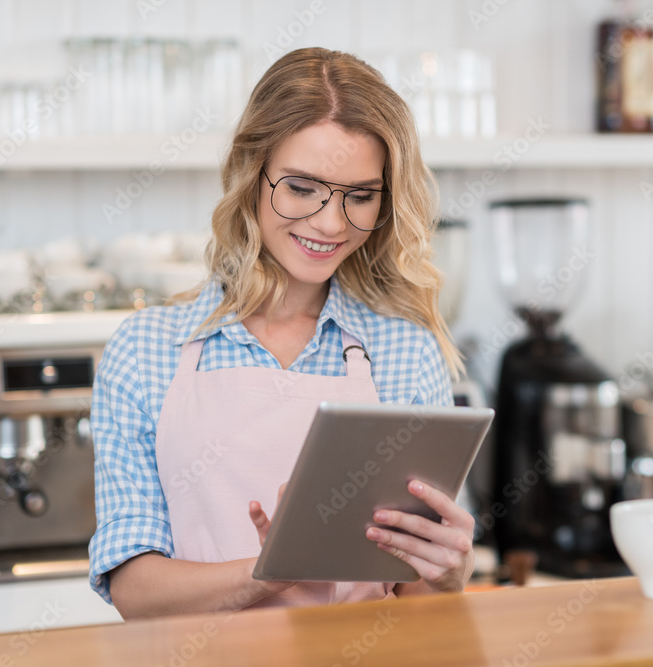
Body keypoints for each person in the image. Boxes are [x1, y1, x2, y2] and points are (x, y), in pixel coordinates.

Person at [89, 47, 474, 618]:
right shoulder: (146, 351)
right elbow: (133, 591)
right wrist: (266, 573)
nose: (329, 223)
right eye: (300, 188)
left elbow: (414, 598)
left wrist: (448, 573)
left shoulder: (405, 351)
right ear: (251, 173)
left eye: (360, 196)